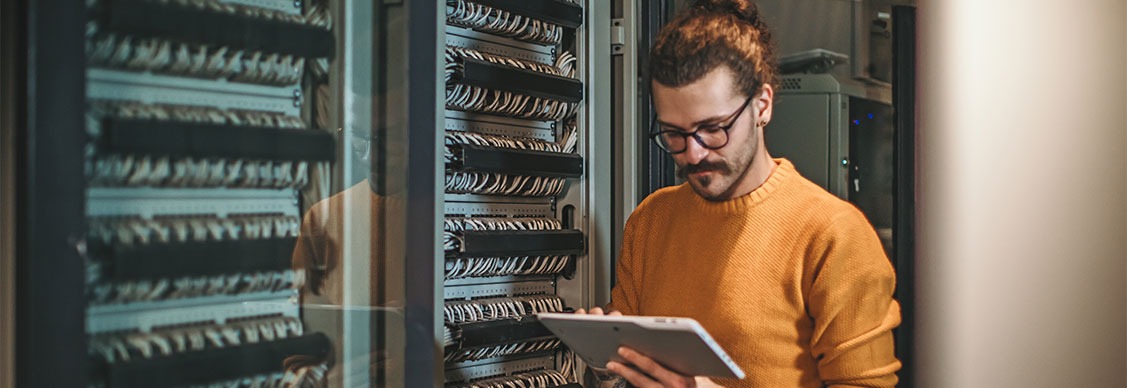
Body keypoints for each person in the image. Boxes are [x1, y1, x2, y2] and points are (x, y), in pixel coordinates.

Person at [577, 1, 901, 387]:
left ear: (762, 105)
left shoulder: (833, 234)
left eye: (713, 128)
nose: (693, 153)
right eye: (674, 134)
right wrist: (607, 366)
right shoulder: (651, 220)